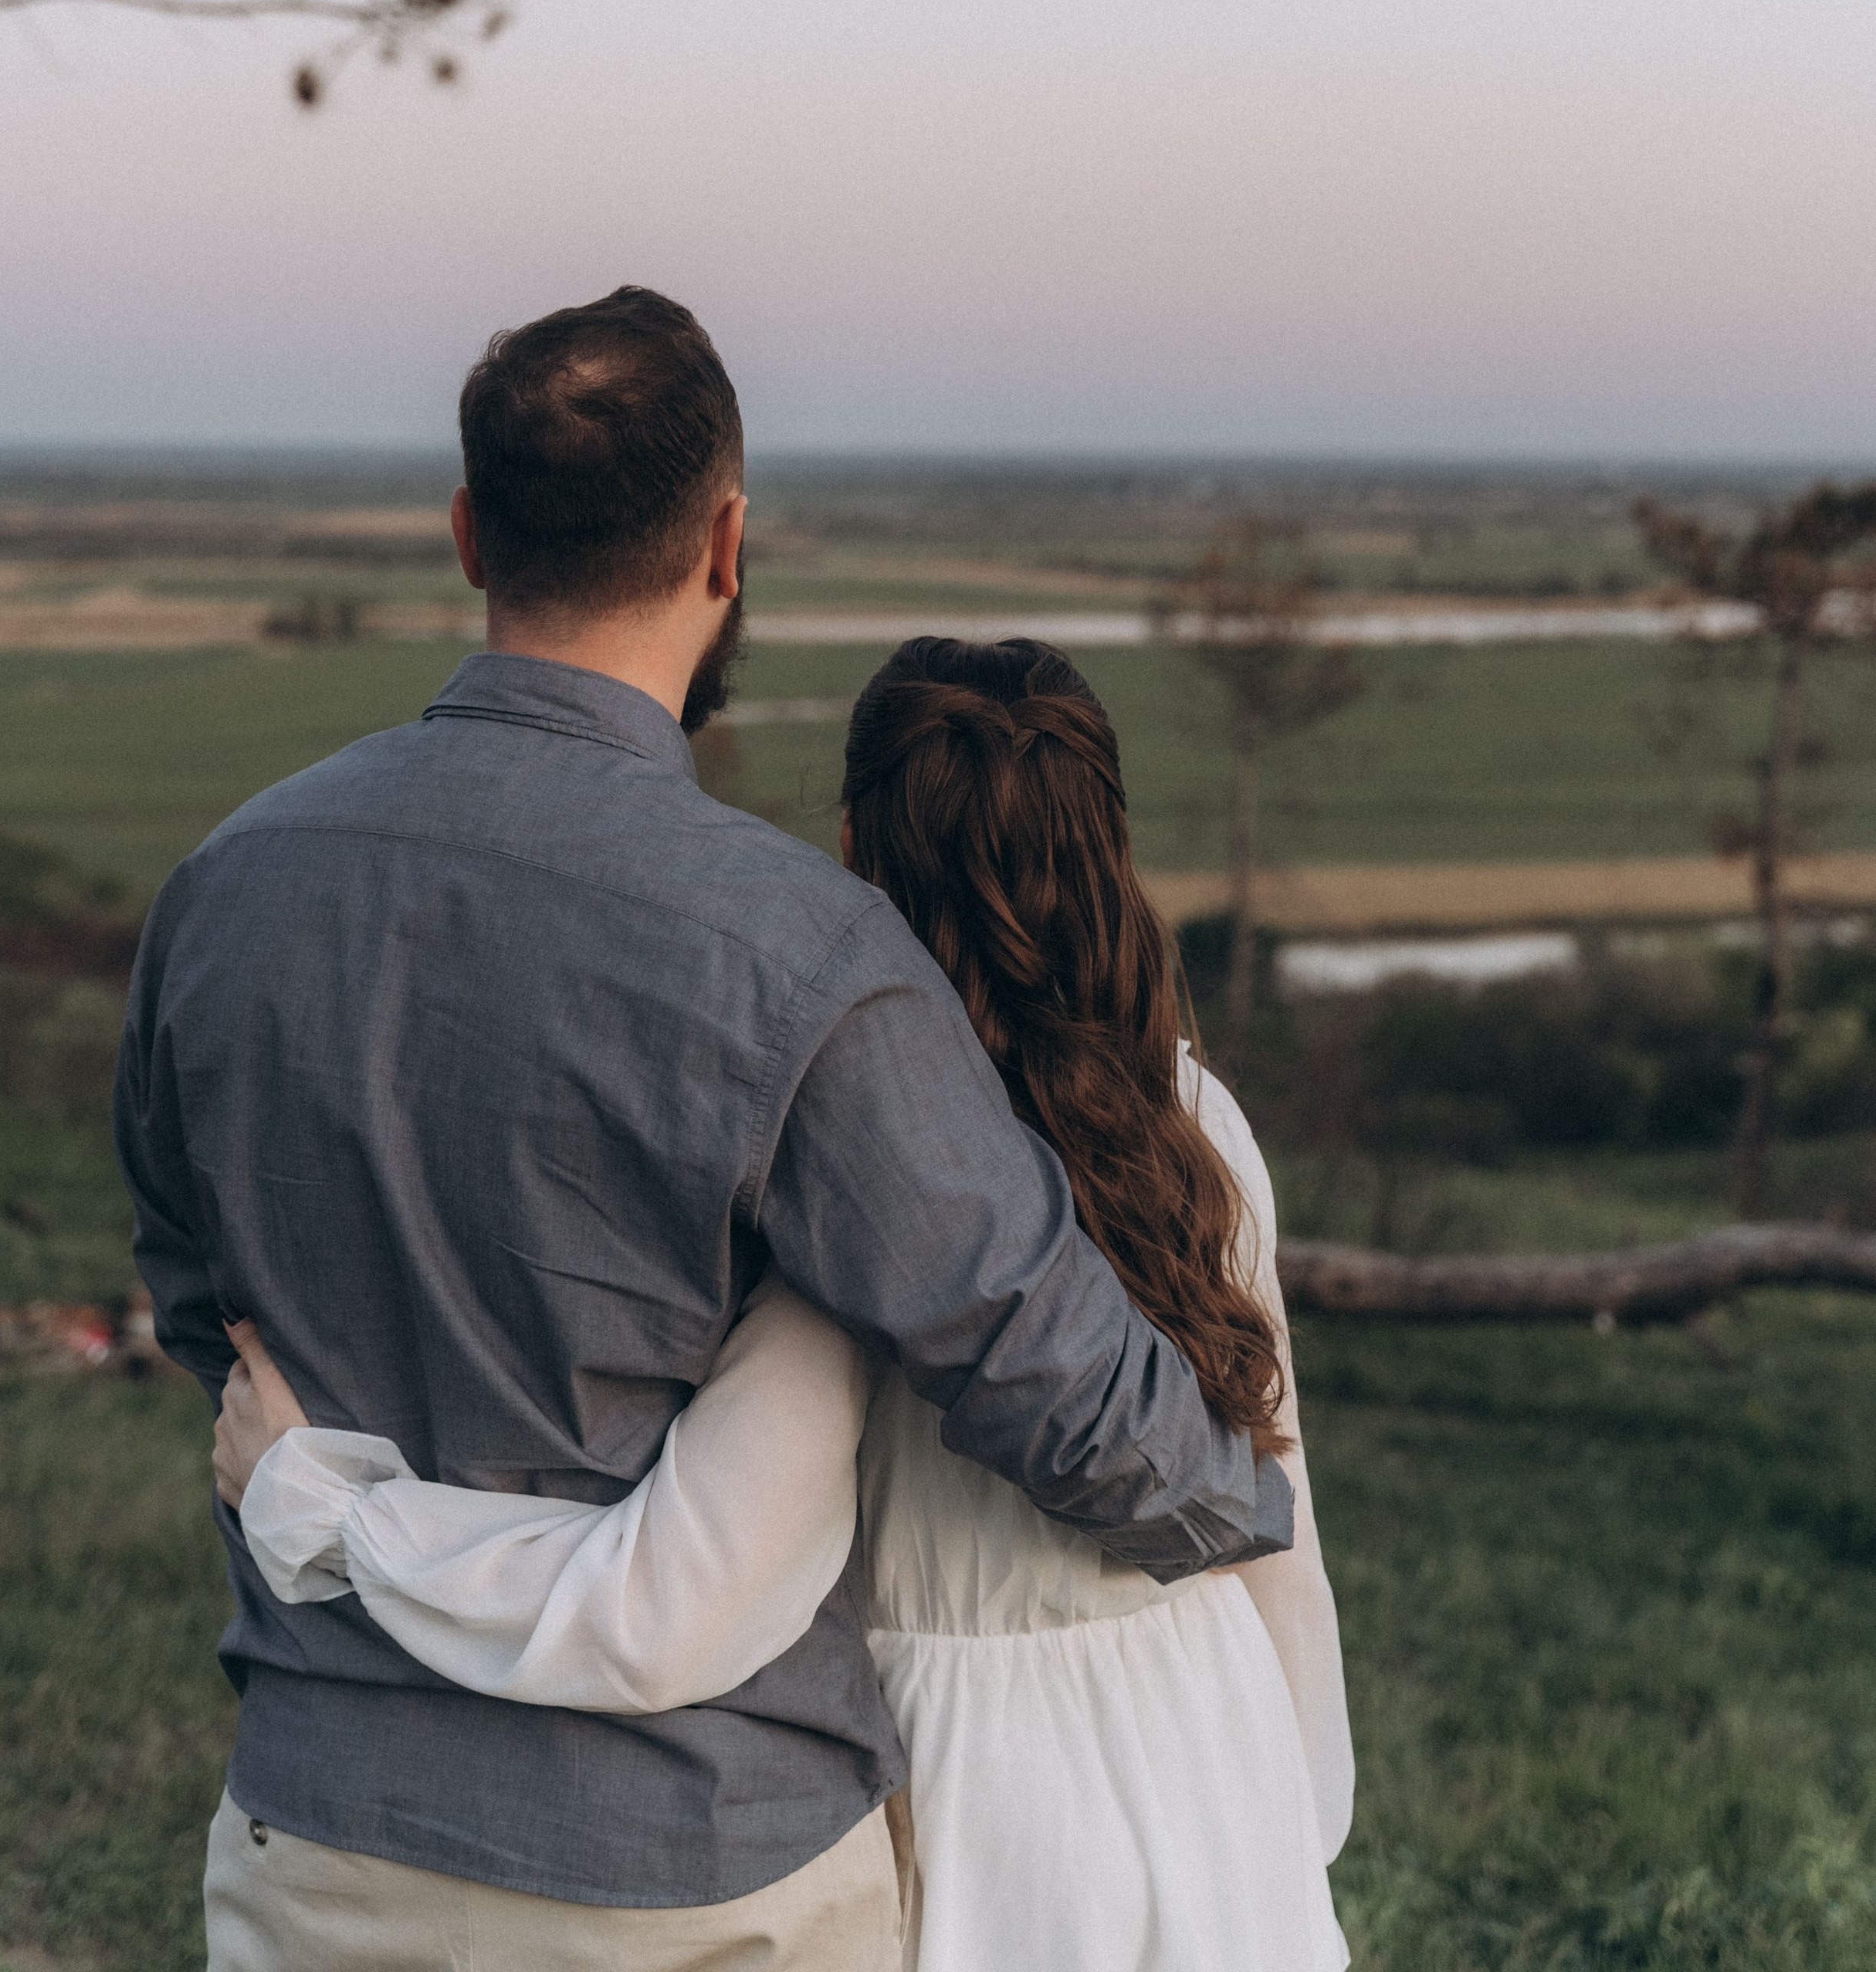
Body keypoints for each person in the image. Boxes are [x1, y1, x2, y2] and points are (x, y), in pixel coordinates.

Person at [114, 290, 1292, 1972]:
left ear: (469, 533)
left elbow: (203, 1314)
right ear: (727, 543)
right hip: (695, 1874)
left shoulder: (224, 888)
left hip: (319, 1836)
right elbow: (1062, 1385)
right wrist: (1231, 1499)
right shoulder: (804, 957)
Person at [214, 636, 1353, 1970]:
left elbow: (669, 1600)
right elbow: (1281, 1529)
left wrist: (327, 1506)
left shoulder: (863, 1180)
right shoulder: (1199, 1125)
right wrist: (1294, 1815)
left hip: (978, 1808)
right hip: (1216, 1751)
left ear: (856, 850)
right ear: (1109, 850)